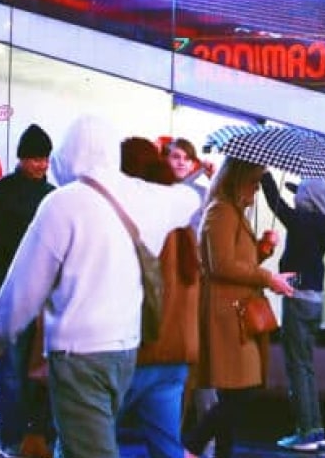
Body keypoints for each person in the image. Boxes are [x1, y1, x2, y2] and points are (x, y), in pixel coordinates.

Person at [0, 117, 199, 458]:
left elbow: (24, 286)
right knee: (78, 443)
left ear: (68, 156)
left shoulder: (61, 203)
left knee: (87, 448)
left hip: (77, 353)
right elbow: (189, 199)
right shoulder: (144, 198)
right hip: (126, 349)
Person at [188, 157, 297, 458]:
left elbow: (234, 263)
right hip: (226, 315)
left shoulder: (231, 212)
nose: (257, 190)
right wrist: (267, 277)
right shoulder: (222, 211)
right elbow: (219, 264)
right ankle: (193, 446)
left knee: (234, 392)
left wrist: (261, 251)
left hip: (233, 312)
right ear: (237, 180)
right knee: (240, 390)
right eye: (254, 182)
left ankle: (216, 451)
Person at [0, 125, 57, 458]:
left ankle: (21, 440)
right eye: (35, 158)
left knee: (20, 372)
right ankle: (16, 440)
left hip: (23, 292)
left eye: (44, 158)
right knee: (15, 372)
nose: (40, 165)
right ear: (22, 158)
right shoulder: (5, 192)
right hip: (14, 291)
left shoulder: (6, 193)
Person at [120, 137, 201, 458]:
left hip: (140, 352)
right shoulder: (184, 224)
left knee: (85, 440)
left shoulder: (141, 221)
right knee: (167, 448)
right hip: (176, 355)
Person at [261, 171, 325, 452]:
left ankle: (307, 432)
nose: (294, 197)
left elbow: (276, 203)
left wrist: (265, 175)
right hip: (315, 302)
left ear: (308, 199)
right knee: (306, 367)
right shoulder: (323, 226)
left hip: (298, 302)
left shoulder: (302, 223)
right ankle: (316, 429)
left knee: (297, 368)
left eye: (299, 193)